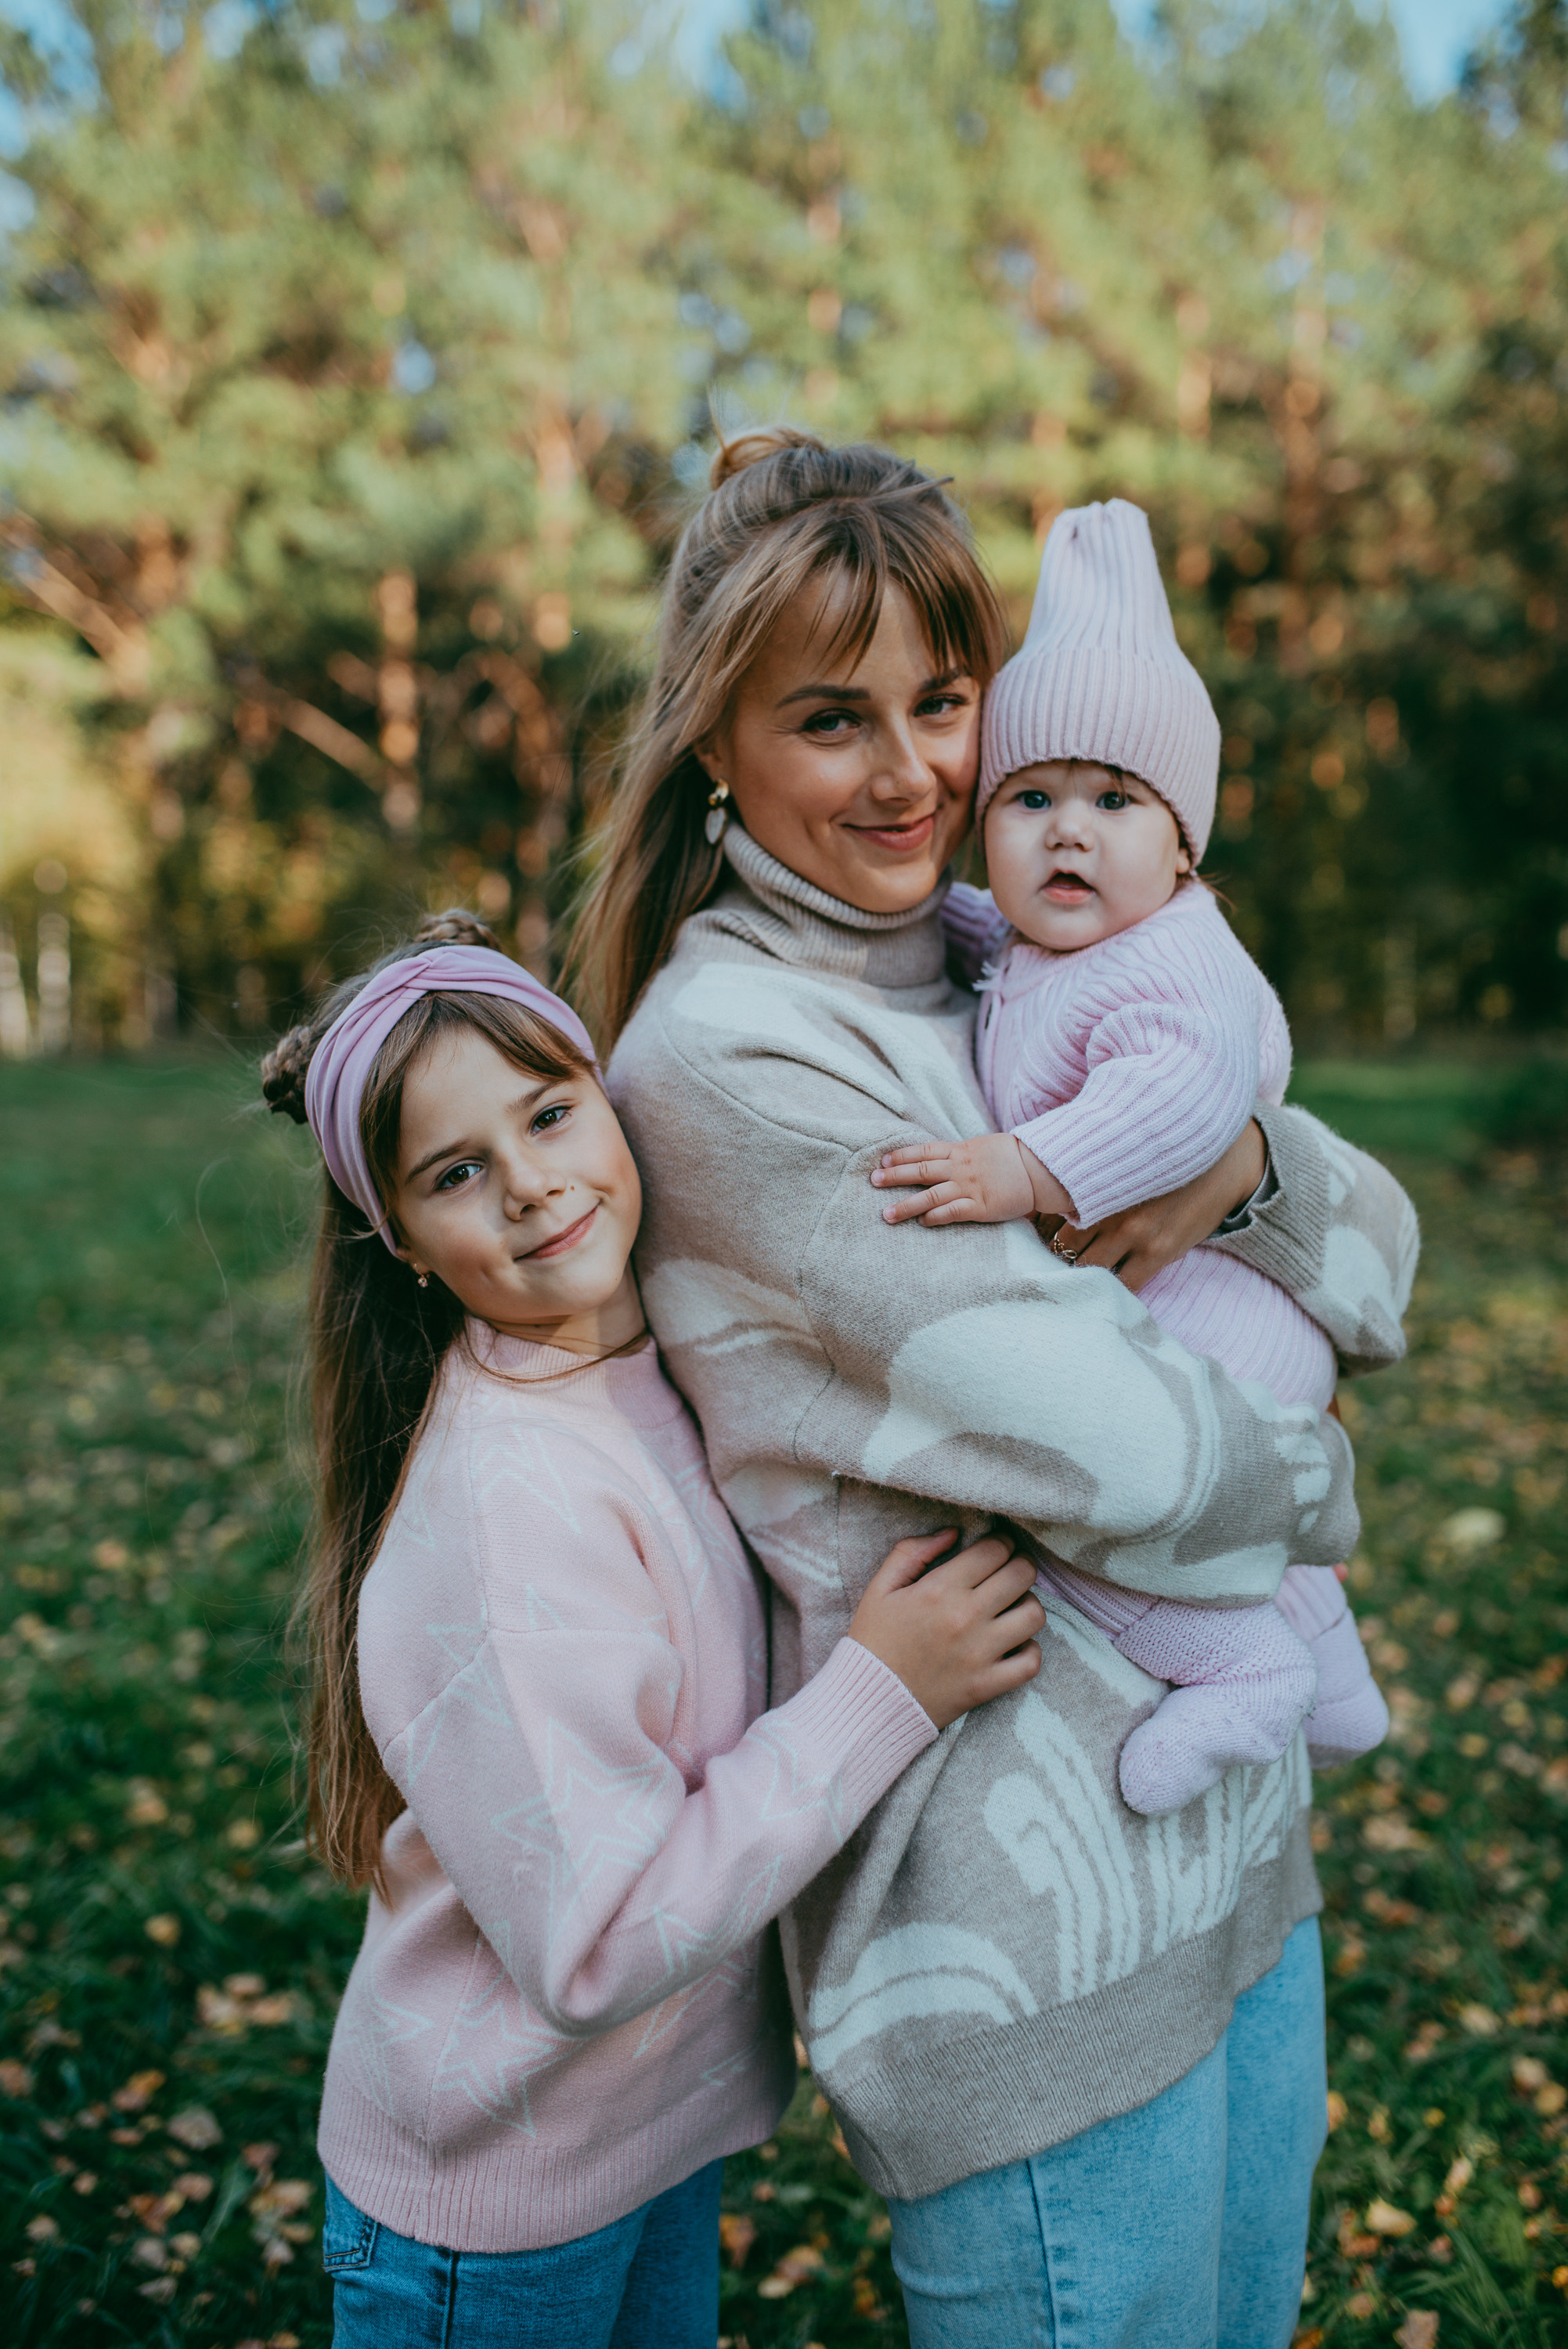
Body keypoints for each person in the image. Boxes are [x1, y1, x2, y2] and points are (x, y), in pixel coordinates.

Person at [575, 428, 1420, 2348]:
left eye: (942, 702)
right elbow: (1125, 1445)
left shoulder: (1004, 955)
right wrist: (1323, 1471)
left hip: (1229, 1853)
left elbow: (1383, 1234)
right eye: (829, 720)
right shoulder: (734, 1060)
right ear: (717, 742)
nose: (914, 775)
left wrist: (1254, 1178)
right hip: (1022, 1953)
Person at [260, 910, 1046, 2349]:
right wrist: (882, 1691)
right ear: (406, 1246)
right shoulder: (509, 1517)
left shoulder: (645, 1365)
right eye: (456, 1173)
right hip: (495, 2209)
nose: (534, 1186)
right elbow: (603, 1939)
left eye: (550, 1111)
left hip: (643, 2142)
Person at [871, 497, 1391, 1818]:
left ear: (1185, 844)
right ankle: (1329, 1667)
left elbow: (1182, 1100)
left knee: (1098, 1520)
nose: (1067, 832)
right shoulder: (1059, 942)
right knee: (1245, 1530)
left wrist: (1026, 1171)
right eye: (1030, 797)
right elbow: (1004, 956)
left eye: (1115, 801)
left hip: (1219, 1326)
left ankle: (1241, 1679)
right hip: (1206, 1321)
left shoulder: (1178, 959)